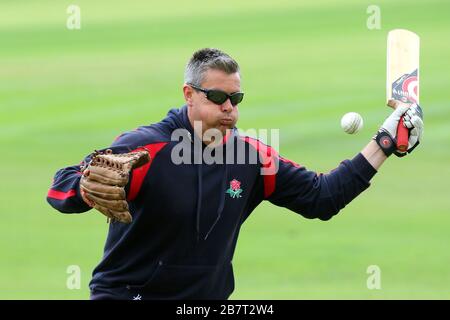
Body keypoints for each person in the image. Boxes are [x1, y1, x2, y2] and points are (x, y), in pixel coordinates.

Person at [47, 48, 424, 300]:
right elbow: (61, 189)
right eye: (217, 98)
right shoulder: (147, 148)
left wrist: (384, 143)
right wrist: (83, 185)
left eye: (236, 99)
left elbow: (321, 198)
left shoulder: (249, 156)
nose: (229, 108)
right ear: (189, 94)